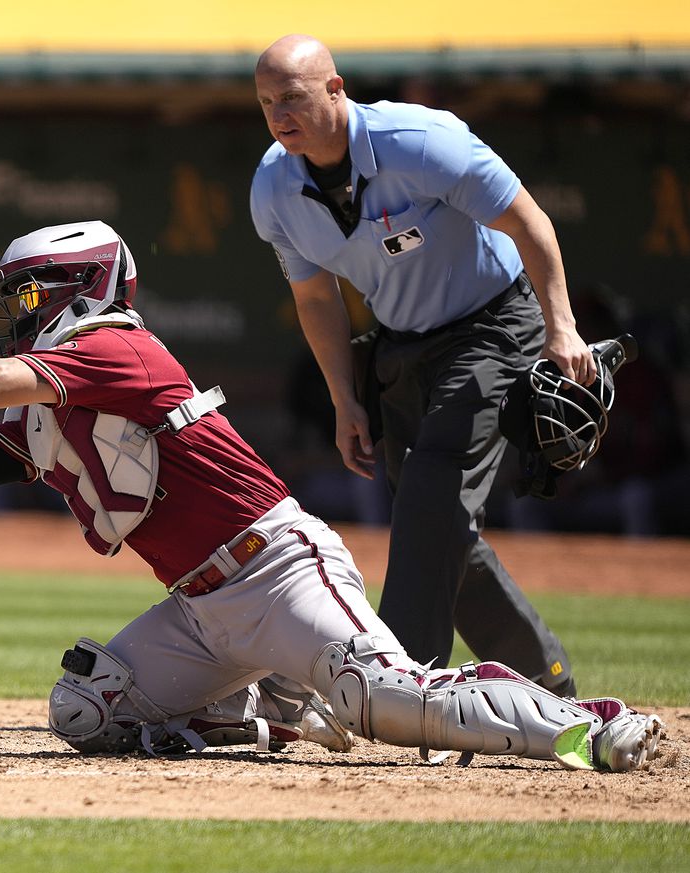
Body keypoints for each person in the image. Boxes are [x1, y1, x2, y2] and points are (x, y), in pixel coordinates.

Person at [0, 219, 660, 771]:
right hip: (200, 607)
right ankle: (271, 709)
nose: (16, 314)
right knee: (84, 710)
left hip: (279, 568)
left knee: (389, 701)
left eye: (29, 297)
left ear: (78, 290)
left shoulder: (116, 347)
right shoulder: (55, 395)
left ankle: (578, 722)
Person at [249, 34, 587, 695]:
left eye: (292, 97)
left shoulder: (423, 139)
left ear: (336, 89)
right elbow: (316, 299)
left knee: (433, 487)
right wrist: (345, 399)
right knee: (431, 521)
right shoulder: (273, 187)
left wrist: (562, 326)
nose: (279, 114)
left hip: (493, 325)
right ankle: (545, 682)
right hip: (402, 347)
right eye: (266, 102)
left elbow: (528, 220)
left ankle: (399, 682)